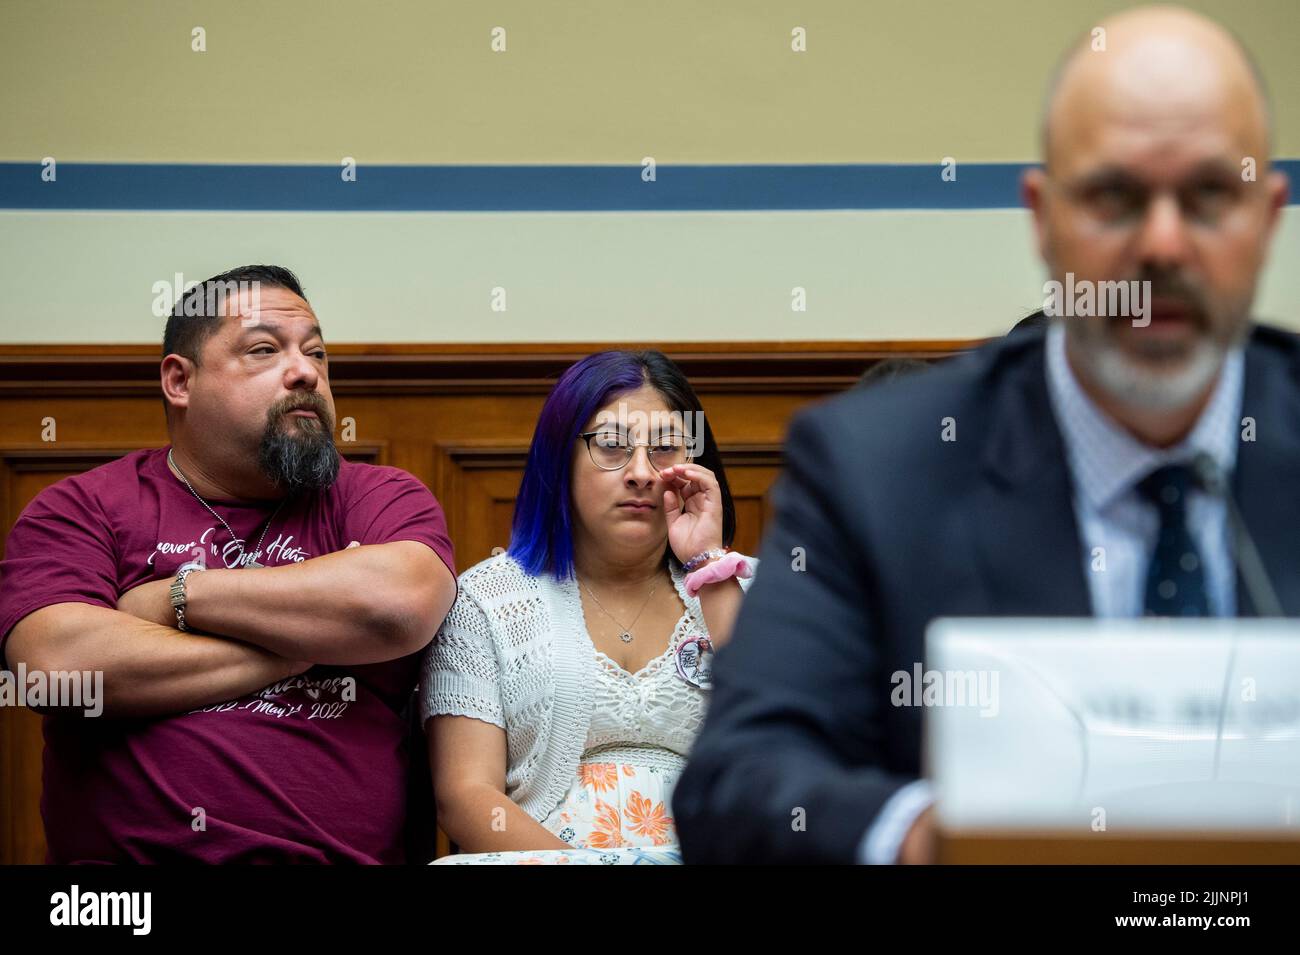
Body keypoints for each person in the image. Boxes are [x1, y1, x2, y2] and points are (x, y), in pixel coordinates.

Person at [673, 5, 1293, 864]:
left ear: (1267, 216)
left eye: (1209, 196)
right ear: (1041, 218)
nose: (1161, 243)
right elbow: (736, 785)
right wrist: (938, 839)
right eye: (1114, 195)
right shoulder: (876, 469)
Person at [0, 265, 458, 863]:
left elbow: (401, 604)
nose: (305, 372)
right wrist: (315, 639)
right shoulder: (83, 507)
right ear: (179, 380)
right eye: (265, 349)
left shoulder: (379, 497)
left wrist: (175, 598)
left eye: (316, 353)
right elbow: (57, 669)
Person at [420, 350, 756, 864]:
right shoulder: (485, 602)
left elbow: (774, 741)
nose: (642, 473)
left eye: (666, 449)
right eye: (612, 446)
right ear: (561, 458)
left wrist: (710, 567)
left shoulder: (745, 588)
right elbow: (465, 797)